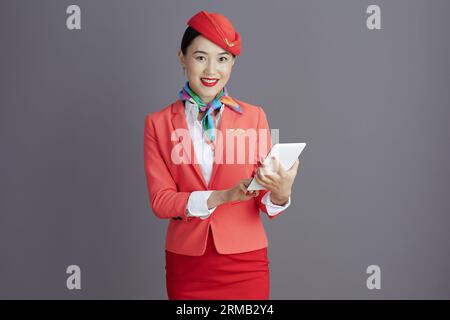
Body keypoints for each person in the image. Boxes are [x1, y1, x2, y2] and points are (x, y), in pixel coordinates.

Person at [144, 10, 301, 300]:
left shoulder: (255, 116)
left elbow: (263, 198)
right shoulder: (157, 123)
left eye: (222, 59)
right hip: (187, 263)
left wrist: (281, 193)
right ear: (182, 57)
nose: (211, 70)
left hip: (245, 262)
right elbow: (161, 201)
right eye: (201, 57)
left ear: (233, 63)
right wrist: (220, 197)